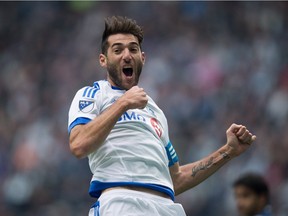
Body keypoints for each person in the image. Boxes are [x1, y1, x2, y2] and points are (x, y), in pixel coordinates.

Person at [68, 16, 257, 216]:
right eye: (117, 50)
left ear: (143, 57)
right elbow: (79, 144)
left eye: (133, 49)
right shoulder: (93, 94)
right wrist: (123, 103)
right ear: (103, 60)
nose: (126, 55)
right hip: (121, 202)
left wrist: (228, 151)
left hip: (167, 208)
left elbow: (175, 178)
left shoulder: (155, 111)